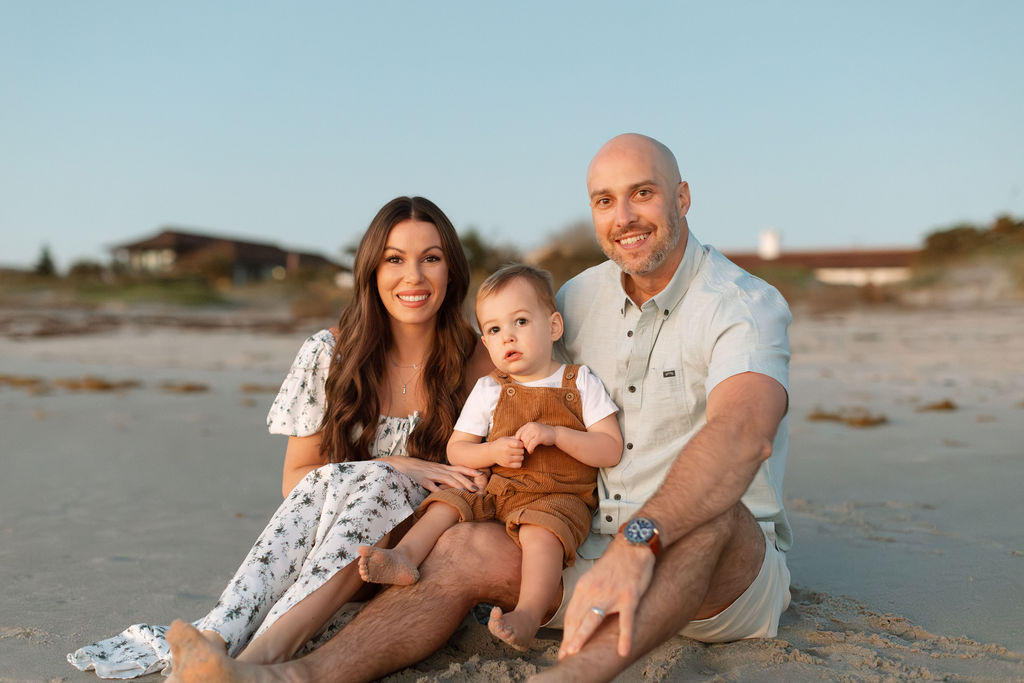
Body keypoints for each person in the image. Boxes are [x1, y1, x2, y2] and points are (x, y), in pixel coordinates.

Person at [165, 133, 792, 683]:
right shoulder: (574, 300)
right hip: (578, 555)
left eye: (643, 194)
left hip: (716, 580)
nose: (624, 216)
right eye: (605, 201)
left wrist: (637, 545)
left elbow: (741, 435)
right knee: (460, 546)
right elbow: (518, 385)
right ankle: (294, 675)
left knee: (715, 514)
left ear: (682, 197)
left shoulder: (743, 305)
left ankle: (576, 675)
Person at [67, 196, 492, 678]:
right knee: (374, 478)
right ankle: (216, 639)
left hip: (411, 557)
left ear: (452, 270)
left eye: (430, 258)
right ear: (372, 271)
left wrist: (393, 476)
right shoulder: (329, 354)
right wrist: (392, 463)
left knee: (382, 483)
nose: (412, 277)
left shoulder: (480, 363)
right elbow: (297, 481)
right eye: (394, 259)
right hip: (327, 553)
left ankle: (257, 660)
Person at [356, 264, 622, 650]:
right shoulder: (489, 389)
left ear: (553, 327)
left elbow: (610, 448)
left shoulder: (579, 382)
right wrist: (493, 451)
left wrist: (558, 435)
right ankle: (404, 555)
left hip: (557, 496)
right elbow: (457, 450)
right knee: (448, 502)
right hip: (497, 487)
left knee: (541, 534)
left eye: (520, 321)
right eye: (495, 330)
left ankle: (529, 613)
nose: (508, 336)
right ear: (486, 341)